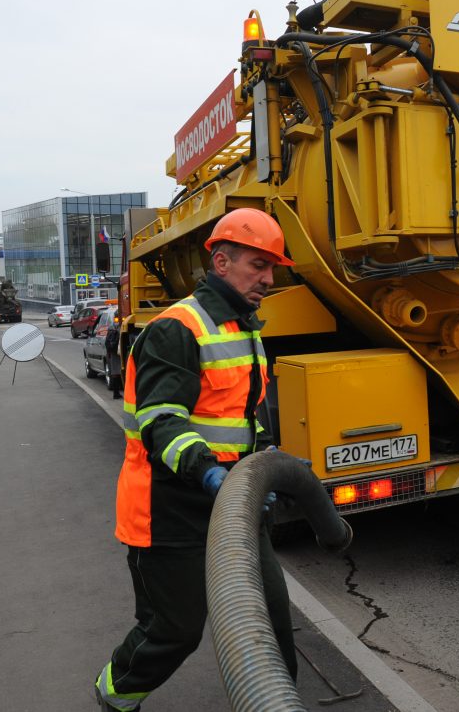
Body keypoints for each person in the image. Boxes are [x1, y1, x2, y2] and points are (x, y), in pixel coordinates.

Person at [94, 208, 298, 711]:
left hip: (231, 504)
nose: (269, 279)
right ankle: (114, 694)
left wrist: (264, 461)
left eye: (274, 268)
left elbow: (247, 416)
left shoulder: (245, 327)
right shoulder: (176, 329)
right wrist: (210, 474)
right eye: (258, 265)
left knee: (272, 620)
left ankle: (277, 700)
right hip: (166, 509)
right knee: (174, 630)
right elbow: (163, 421)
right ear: (222, 262)